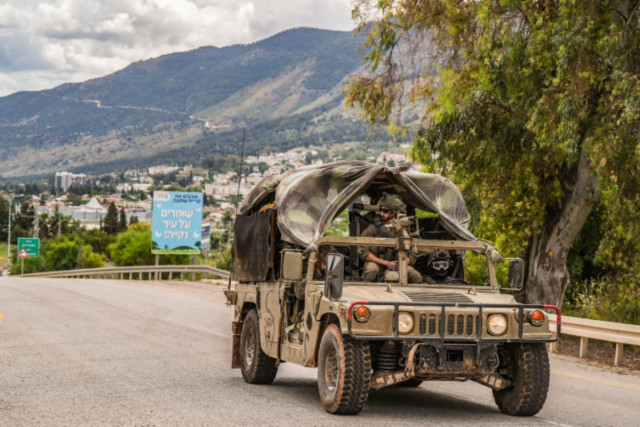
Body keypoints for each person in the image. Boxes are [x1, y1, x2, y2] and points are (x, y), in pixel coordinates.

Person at [357, 193, 422, 283]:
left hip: (399, 265)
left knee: (416, 276)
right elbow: (362, 251)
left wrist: (401, 264)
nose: (382, 213)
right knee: (372, 270)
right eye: (381, 210)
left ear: (394, 212)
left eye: (385, 211)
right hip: (378, 264)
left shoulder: (406, 230)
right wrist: (386, 263)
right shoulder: (373, 229)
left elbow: (413, 254)